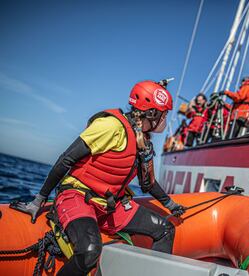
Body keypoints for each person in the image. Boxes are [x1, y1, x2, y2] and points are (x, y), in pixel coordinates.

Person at [10, 80, 186, 276]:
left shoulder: (143, 141)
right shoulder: (110, 126)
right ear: (152, 113)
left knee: (165, 229)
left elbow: (148, 184)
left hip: (110, 206)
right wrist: (39, 200)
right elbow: (66, 159)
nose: (166, 119)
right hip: (77, 197)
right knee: (89, 251)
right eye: (164, 114)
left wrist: (170, 205)